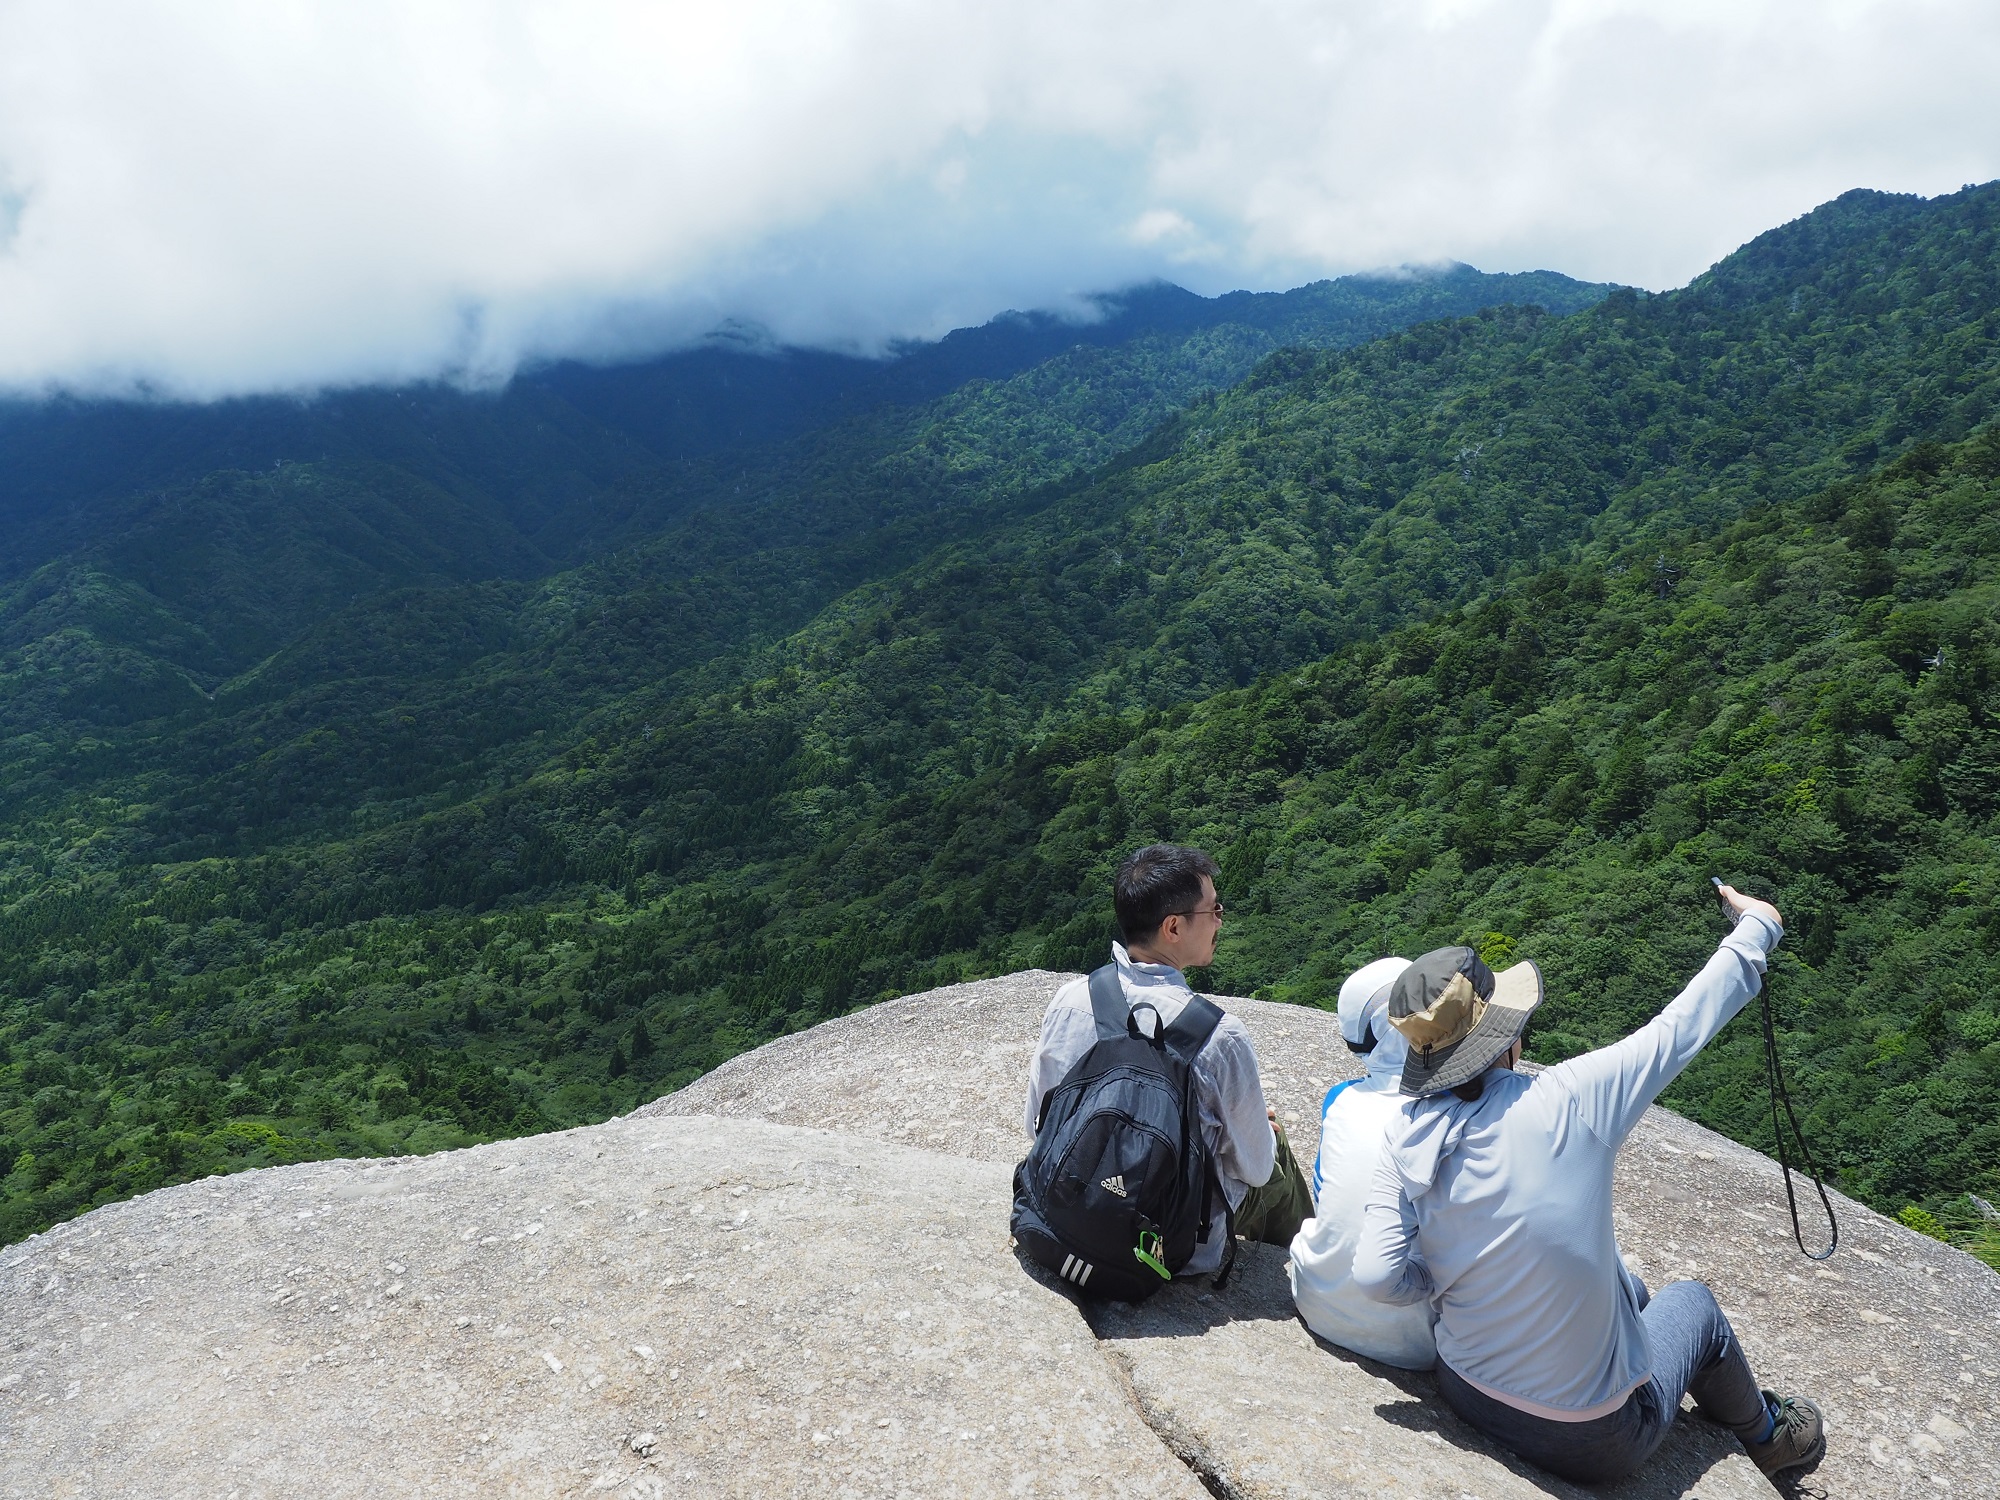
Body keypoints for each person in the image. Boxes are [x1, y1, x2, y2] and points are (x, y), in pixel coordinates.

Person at [1352, 887, 1826, 1485]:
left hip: (1464, 1388)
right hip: (1596, 1442)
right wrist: (1760, 925)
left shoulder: (1408, 1130)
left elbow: (1376, 1275)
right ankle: (1771, 1437)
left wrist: (1440, 1276)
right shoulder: (1573, 1098)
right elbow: (1680, 1026)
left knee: (1626, 1279)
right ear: (1505, 1033)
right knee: (1694, 1306)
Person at [1023, 844, 1313, 1273]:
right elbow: (1253, 1170)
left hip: (1064, 1214)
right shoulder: (1219, 1035)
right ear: (1173, 927)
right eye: (1213, 911)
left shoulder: (1071, 1000)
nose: (1219, 920)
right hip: (1174, 1248)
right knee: (1273, 1147)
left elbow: (1038, 1125)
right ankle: (1309, 1272)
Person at [1288, 957, 1439, 1370]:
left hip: (1316, 1304)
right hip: (1414, 1341)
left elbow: (1327, 1198)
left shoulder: (1340, 1099)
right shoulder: (1452, 1113)